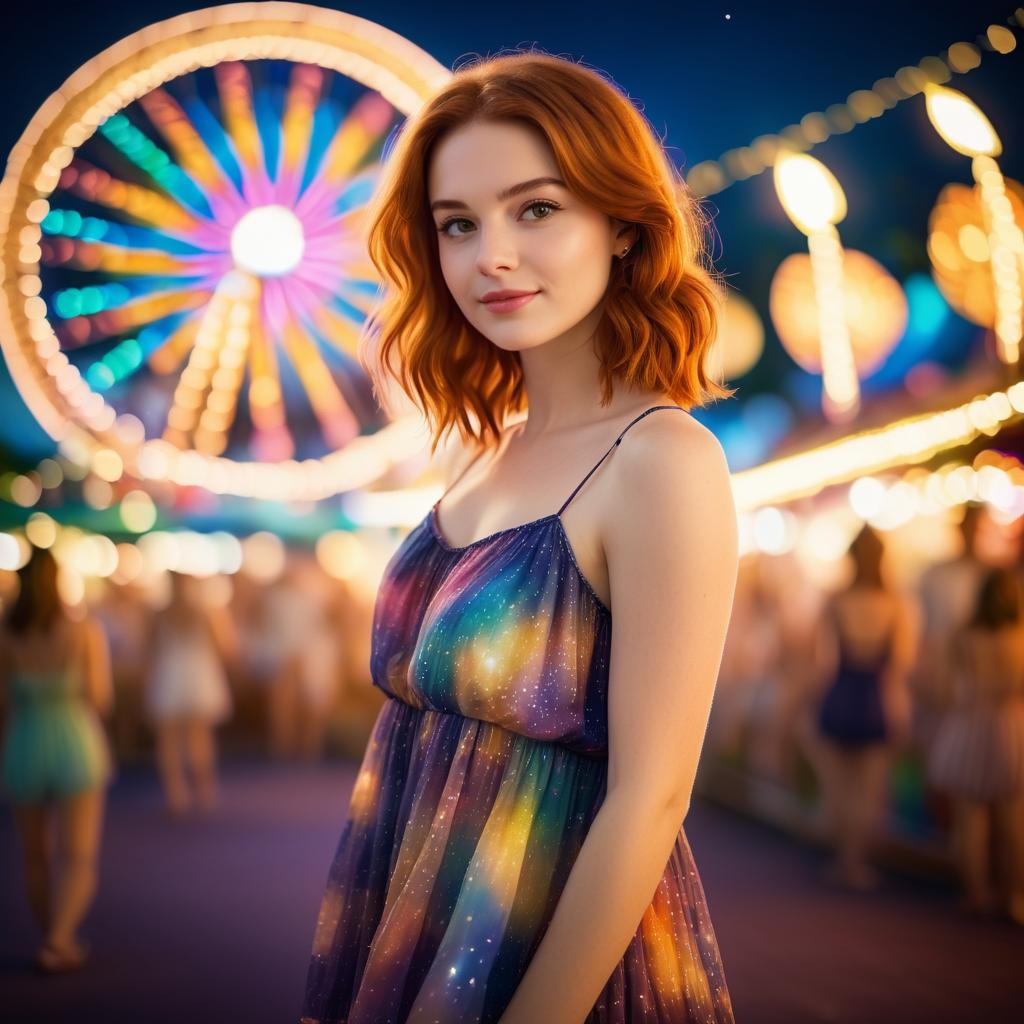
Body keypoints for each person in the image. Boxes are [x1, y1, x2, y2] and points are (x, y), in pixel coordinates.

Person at [299, 50, 739, 1024]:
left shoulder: (660, 460)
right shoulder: (481, 452)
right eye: (457, 224)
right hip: (407, 916)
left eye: (534, 209)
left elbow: (651, 798)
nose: (489, 254)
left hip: (555, 962)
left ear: (622, 223)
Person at [0, 545, 113, 972]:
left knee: (35, 856)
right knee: (79, 855)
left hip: (25, 741)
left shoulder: (6, 634)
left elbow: (2, 702)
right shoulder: (83, 631)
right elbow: (99, 697)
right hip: (73, 740)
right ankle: (59, 940)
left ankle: (53, 936)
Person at [811, 524, 916, 890]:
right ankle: (856, 864)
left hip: (840, 695)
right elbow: (901, 663)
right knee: (868, 789)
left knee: (839, 786)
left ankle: (844, 861)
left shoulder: (836, 602)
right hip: (876, 699)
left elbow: (822, 661)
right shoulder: (896, 605)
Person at [926, 566, 1024, 922]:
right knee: (1014, 821)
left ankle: (976, 894)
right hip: (1013, 730)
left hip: (969, 725)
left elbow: (942, 689)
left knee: (970, 818)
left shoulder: (962, 637)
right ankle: (1013, 898)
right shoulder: (1020, 637)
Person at [144, 571, 236, 815]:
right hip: (198, 672)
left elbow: (148, 649)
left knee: (170, 737)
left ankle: (176, 793)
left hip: (170, 672)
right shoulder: (206, 612)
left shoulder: (160, 613)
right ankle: (204, 789)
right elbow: (225, 646)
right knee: (199, 735)